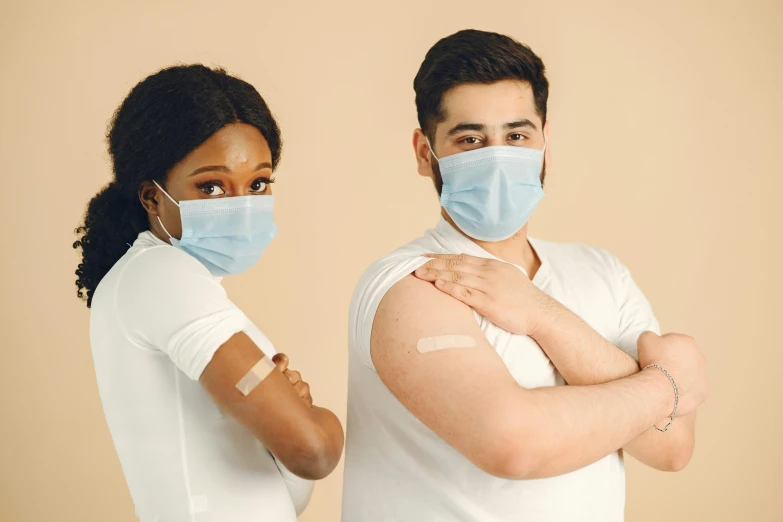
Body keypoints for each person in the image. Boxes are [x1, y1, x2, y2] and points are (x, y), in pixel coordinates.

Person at [342, 29, 707, 521]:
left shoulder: (602, 272)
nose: (497, 157)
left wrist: (541, 314)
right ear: (424, 152)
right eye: (470, 139)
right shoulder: (414, 281)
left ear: (544, 142)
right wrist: (668, 385)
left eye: (516, 136)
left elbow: (672, 448)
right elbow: (513, 444)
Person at [74, 64, 344, 522]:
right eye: (212, 186)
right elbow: (312, 451)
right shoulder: (163, 278)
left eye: (258, 183)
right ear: (151, 197)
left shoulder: (163, 280)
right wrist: (319, 417)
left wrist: (286, 411)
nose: (241, 206)